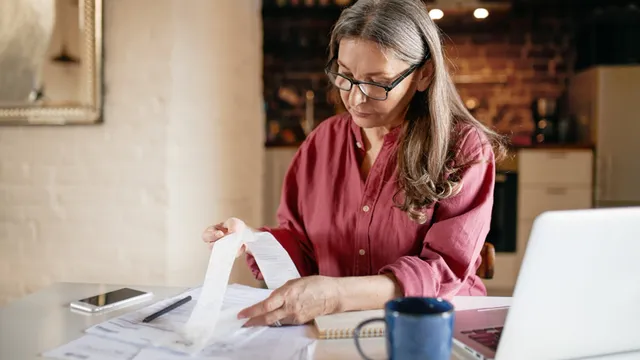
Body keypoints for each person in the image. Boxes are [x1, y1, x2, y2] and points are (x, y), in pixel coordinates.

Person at [202, 0, 506, 328]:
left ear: (424, 74)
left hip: (431, 328)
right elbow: (302, 244)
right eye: (345, 76)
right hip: (337, 329)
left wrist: (337, 294)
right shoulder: (322, 142)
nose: (356, 99)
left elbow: (444, 271)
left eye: (377, 82)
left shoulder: (462, 147)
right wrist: (252, 239)